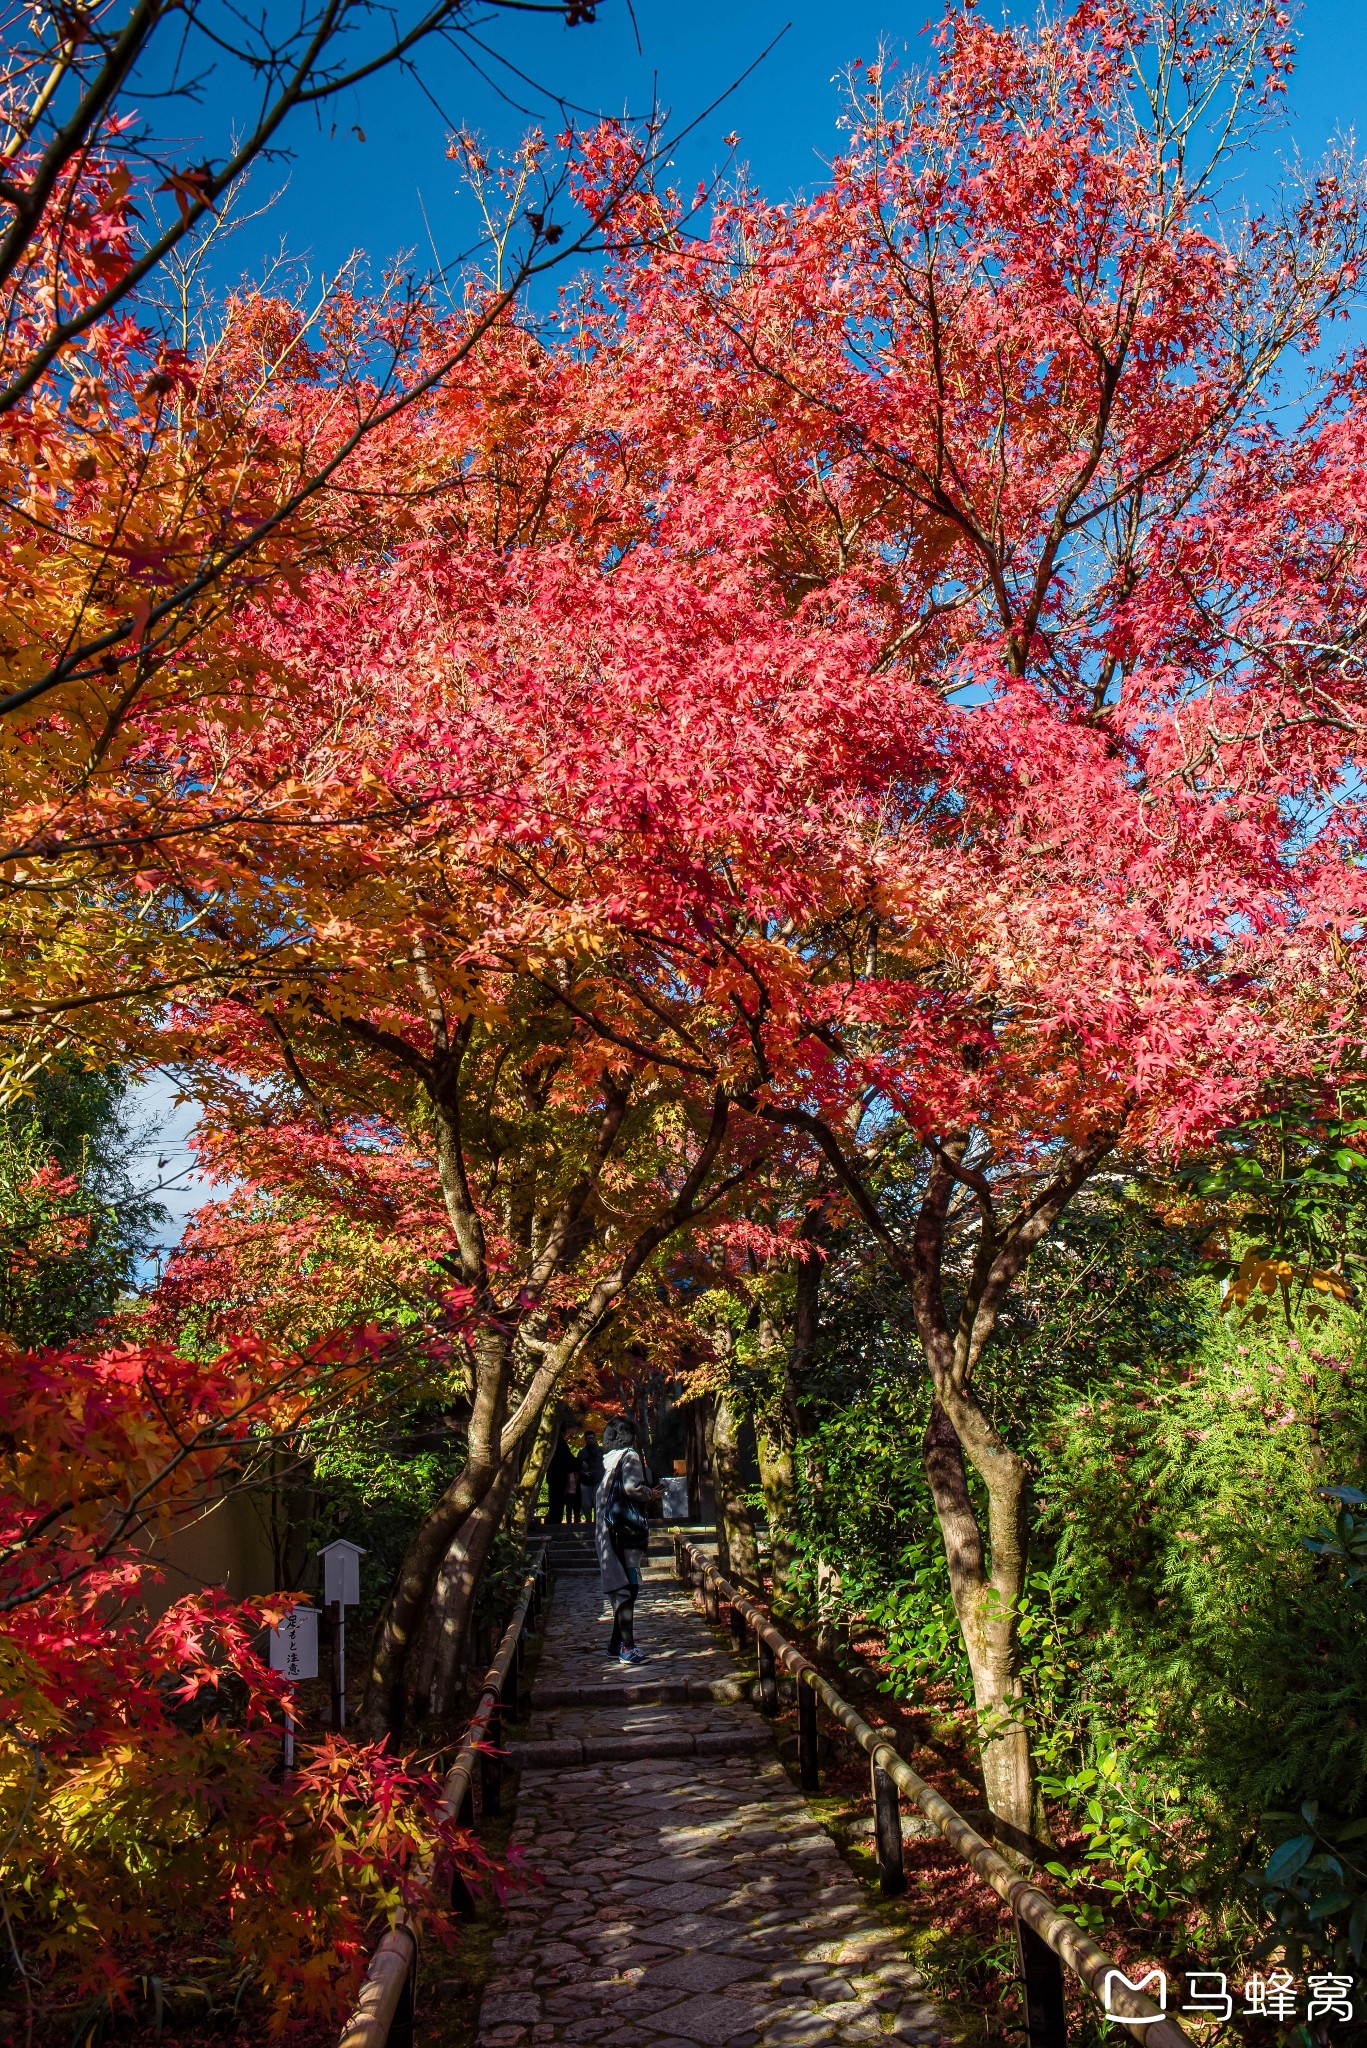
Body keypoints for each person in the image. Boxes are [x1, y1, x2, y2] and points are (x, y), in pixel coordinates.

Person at [595, 1417, 659, 1664]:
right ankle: (627, 1647)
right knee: (627, 1587)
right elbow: (633, 1488)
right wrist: (651, 1493)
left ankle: (615, 1644)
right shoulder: (630, 1456)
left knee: (621, 1586)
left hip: (606, 1531)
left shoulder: (607, 1461)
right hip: (624, 1532)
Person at [546, 1428, 577, 1527]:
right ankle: (555, 1521)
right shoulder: (560, 1443)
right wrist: (580, 1464)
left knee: (554, 1500)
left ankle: (554, 1520)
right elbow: (568, 1459)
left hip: (553, 1476)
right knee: (558, 1501)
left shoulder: (553, 1441)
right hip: (559, 1476)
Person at [578, 1429, 604, 1522]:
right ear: (585, 1439)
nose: (591, 1440)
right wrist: (583, 1473)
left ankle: (597, 1521)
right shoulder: (582, 1453)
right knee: (585, 1504)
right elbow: (578, 1467)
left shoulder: (601, 1451)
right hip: (586, 1481)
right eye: (589, 1438)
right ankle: (588, 1520)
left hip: (598, 1479)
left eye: (592, 1438)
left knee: (597, 1501)